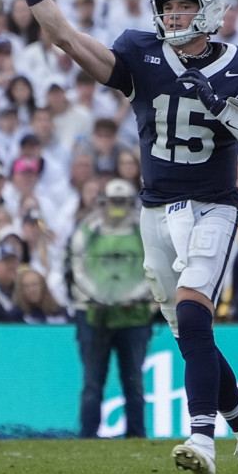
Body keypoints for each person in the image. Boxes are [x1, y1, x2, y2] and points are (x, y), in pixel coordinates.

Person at [0, 0, 238, 474]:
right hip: (155, 212)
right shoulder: (141, 55)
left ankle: (202, 437)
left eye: (186, 6)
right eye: (168, 6)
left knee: (196, 318)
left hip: (212, 206)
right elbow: (64, 38)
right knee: (191, 337)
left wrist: (219, 101)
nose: (175, 16)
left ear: (212, 10)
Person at [68, 178, 153, 439]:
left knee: (134, 382)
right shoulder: (88, 231)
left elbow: (153, 269)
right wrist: (99, 295)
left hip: (133, 315)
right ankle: (88, 435)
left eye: (122, 202)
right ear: (103, 203)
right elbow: (77, 269)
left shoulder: (143, 231)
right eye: (112, 202)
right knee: (93, 381)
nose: (117, 208)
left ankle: (136, 435)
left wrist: (131, 295)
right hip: (95, 314)